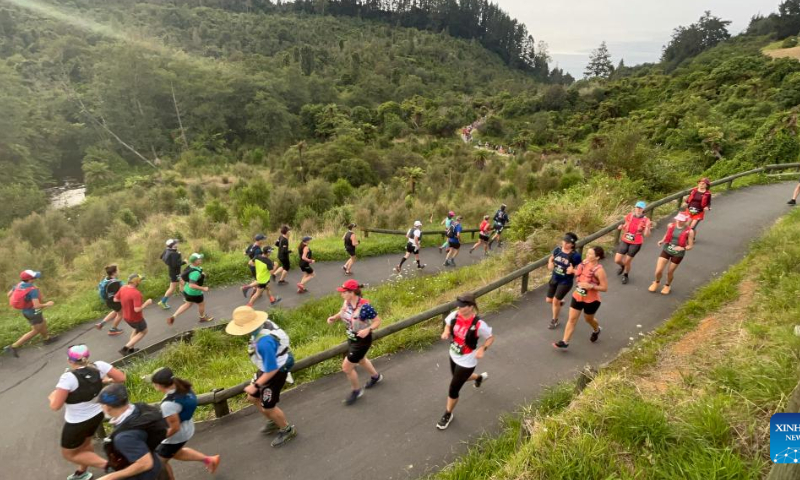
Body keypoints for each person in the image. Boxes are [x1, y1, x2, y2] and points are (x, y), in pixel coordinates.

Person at [49, 345, 126, 480]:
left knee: (69, 454)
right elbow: (121, 378)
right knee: (85, 444)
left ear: (69, 360)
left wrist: (52, 397)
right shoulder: (99, 366)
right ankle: (82, 472)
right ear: (87, 356)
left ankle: (111, 466)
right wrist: (106, 381)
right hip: (97, 415)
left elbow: (55, 406)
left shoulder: (68, 378)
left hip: (77, 422)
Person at [226, 306, 297, 448]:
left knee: (268, 407)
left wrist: (256, 385)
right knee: (252, 397)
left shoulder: (264, 342)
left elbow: (271, 370)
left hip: (275, 371)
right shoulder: (261, 327)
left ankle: (286, 429)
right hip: (267, 367)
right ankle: (273, 420)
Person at [146, 367, 220, 478]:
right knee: (177, 453)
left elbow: (174, 427)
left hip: (175, 437)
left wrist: (157, 439)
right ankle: (209, 460)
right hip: (187, 427)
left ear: (159, 385)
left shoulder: (168, 404)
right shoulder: (182, 387)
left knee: (159, 462)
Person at [437, 293, 494, 430]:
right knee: (459, 378)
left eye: (462, 306)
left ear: (470, 307)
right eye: (458, 305)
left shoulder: (479, 324)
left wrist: (482, 348)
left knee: (453, 388)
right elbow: (447, 325)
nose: (459, 308)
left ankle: (448, 414)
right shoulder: (455, 315)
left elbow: (490, 338)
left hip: (467, 361)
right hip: (453, 354)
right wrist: (446, 332)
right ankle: (479, 377)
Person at [326, 280, 384, 405]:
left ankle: (356, 390)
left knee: (346, 368)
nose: (341, 294)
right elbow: (342, 313)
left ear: (351, 292)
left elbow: (378, 321)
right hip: (351, 338)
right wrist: (334, 318)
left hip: (362, 340)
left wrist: (368, 329)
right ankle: (376, 377)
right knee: (362, 360)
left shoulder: (365, 307)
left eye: (343, 292)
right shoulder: (346, 302)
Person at [96, 383, 167, 480]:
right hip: (157, 465)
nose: (101, 407)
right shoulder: (138, 409)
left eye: (102, 405)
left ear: (108, 407)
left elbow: (146, 464)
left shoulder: (124, 437)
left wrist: (110, 477)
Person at [553, 246, 607, 350]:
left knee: (588, 319)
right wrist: (572, 271)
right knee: (572, 319)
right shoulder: (584, 263)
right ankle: (565, 342)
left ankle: (597, 329)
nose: (587, 255)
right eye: (587, 253)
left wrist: (591, 286)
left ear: (597, 257)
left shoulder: (599, 271)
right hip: (577, 296)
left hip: (591, 300)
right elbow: (579, 273)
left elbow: (604, 288)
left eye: (590, 254)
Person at [4, 269, 58, 358]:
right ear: (30, 279)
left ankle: (47, 339)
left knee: (42, 322)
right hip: (33, 312)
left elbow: (9, 294)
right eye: (34, 277)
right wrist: (47, 304)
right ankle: (13, 346)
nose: (35, 278)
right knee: (36, 330)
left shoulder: (19, 285)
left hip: (25, 311)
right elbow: (36, 306)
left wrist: (23, 301)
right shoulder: (32, 290)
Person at [649, 213, 695, 295]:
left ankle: (667, 285)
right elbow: (667, 234)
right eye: (678, 219)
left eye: (681, 220)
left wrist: (683, 248)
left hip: (678, 254)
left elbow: (690, 246)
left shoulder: (690, 231)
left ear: (685, 221)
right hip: (667, 249)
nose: (679, 221)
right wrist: (662, 240)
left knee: (670, 272)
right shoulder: (671, 226)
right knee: (658, 270)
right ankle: (656, 282)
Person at [546, 233, 582, 330]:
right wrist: (550, 263)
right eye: (564, 241)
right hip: (554, 278)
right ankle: (559, 302)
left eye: (567, 243)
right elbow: (551, 258)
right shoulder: (557, 250)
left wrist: (573, 271)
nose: (565, 244)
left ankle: (554, 320)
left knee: (555, 301)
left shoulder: (575, 256)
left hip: (565, 282)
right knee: (549, 300)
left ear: (572, 244)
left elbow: (581, 269)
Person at [167, 253, 213, 326]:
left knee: (188, 303)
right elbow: (192, 285)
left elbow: (182, 278)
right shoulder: (195, 272)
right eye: (199, 259)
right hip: (194, 292)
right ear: (195, 261)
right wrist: (203, 288)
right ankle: (202, 318)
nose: (201, 259)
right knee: (202, 304)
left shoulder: (189, 266)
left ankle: (173, 316)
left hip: (187, 290)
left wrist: (201, 274)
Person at [115, 274, 153, 357]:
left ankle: (131, 349)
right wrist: (147, 303)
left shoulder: (123, 288)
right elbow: (137, 309)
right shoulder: (136, 293)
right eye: (140, 280)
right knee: (144, 331)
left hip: (126, 317)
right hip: (136, 318)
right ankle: (125, 349)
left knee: (136, 330)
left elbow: (116, 299)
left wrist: (126, 301)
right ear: (136, 282)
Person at [614, 201, 652, 285]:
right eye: (637, 207)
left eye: (640, 208)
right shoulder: (630, 216)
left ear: (643, 209)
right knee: (617, 260)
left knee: (628, 261)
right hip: (625, 239)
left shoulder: (646, 220)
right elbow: (626, 225)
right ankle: (622, 266)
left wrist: (647, 228)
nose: (638, 209)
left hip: (636, 242)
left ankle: (626, 274)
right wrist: (622, 227)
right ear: (635, 208)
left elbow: (647, 235)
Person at [96, 264, 125, 336]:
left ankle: (101, 324)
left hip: (108, 300)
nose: (119, 271)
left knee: (115, 312)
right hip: (114, 301)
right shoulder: (115, 283)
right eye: (118, 270)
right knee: (120, 314)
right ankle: (113, 330)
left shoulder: (107, 279)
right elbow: (117, 294)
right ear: (114, 272)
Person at [157, 240, 185, 310]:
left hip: (173, 272)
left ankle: (187, 297)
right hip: (175, 273)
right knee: (172, 288)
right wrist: (184, 262)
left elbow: (162, 257)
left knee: (182, 283)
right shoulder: (173, 254)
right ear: (173, 245)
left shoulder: (167, 250)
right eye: (175, 243)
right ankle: (163, 302)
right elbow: (175, 264)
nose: (177, 243)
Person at [241, 234, 267, 299]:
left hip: (251, 266)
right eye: (263, 239)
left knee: (257, 279)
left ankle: (255, 292)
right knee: (260, 280)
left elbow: (245, 253)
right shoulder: (258, 250)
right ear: (259, 240)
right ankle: (246, 288)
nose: (264, 241)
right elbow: (257, 259)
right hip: (255, 266)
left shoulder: (251, 245)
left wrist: (250, 259)